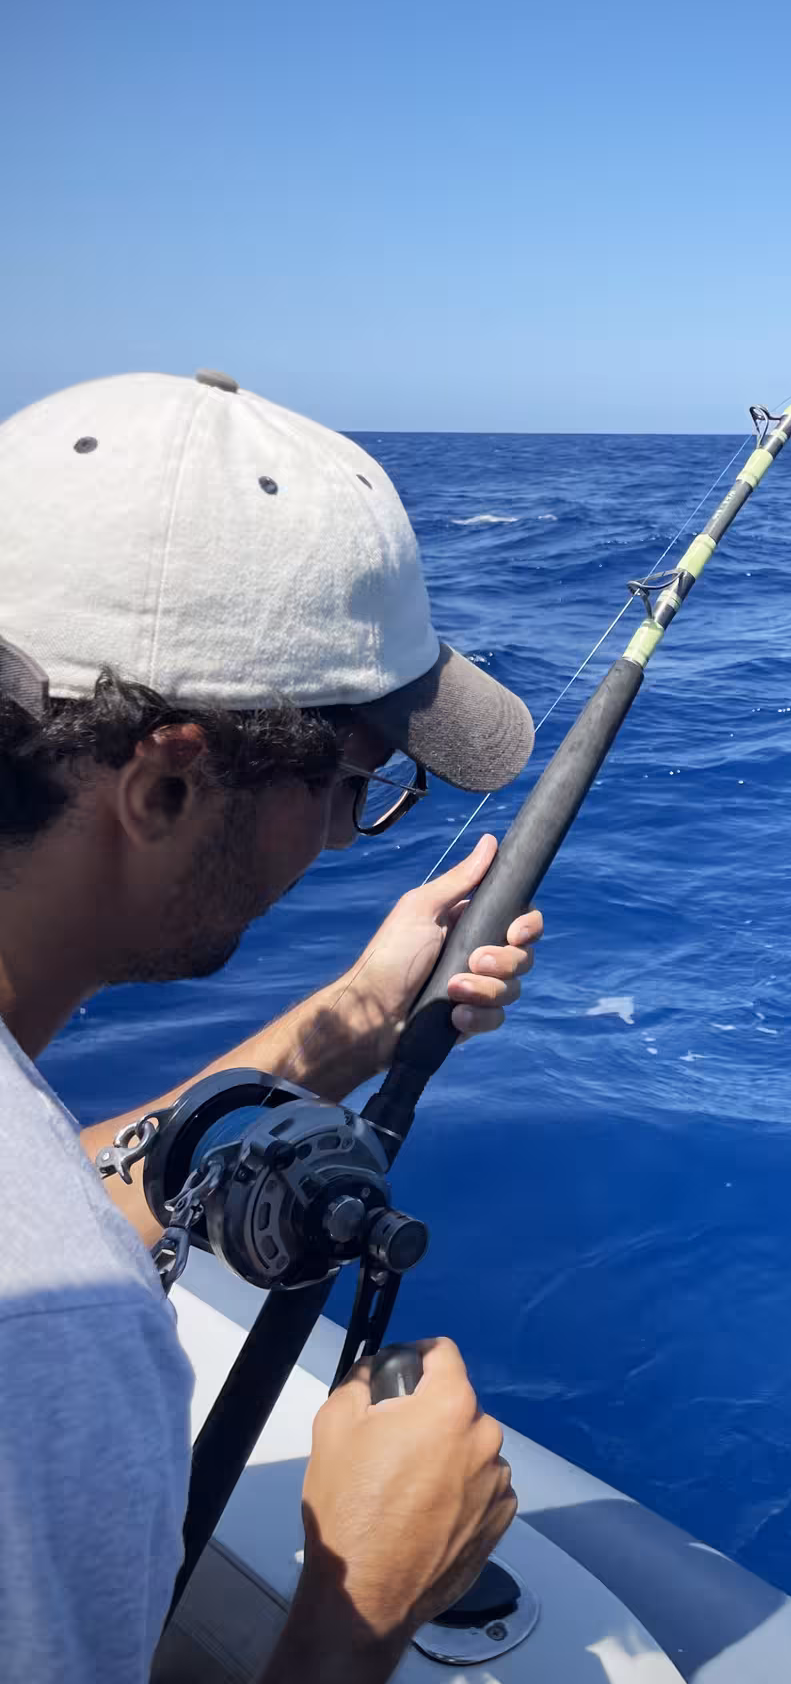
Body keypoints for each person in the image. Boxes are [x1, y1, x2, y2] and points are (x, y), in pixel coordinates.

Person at [0, 370, 545, 1682]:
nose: (340, 840)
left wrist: (360, 1020)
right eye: (354, 786)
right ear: (170, 782)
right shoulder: (55, 1354)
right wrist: (359, 1611)